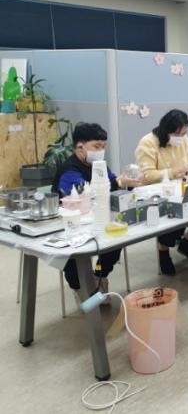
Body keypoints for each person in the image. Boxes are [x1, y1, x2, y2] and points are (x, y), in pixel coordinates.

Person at [51, 122, 141, 300]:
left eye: (103, 146)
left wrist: (127, 183)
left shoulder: (99, 165)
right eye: (97, 146)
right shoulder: (69, 170)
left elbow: (113, 184)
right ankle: (80, 288)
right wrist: (118, 182)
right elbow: (84, 194)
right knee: (75, 257)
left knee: (115, 240)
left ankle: (100, 276)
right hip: (70, 224)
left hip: (98, 218)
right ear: (80, 147)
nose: (101, 150)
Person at [135, 109, 188, 275]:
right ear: (165, 130)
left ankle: (187, 243)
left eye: (184, 133)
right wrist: (176, 171)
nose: (181, 137)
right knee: (173, 216)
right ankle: (163, 251)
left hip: (183, 186)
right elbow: (146, 176)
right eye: (177, 134)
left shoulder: (184, 140)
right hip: (159, 192)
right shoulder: (148, 143)